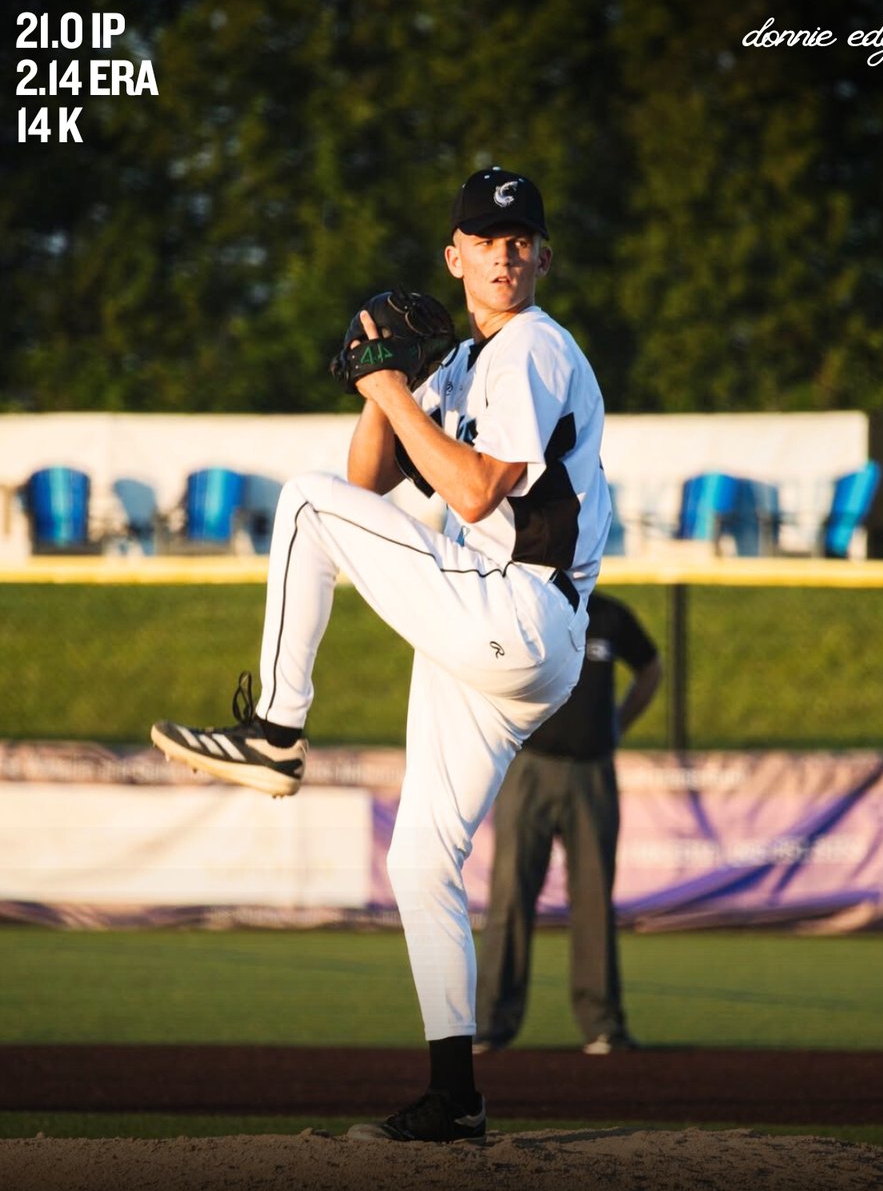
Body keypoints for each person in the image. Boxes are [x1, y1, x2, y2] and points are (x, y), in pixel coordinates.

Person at [151, 167, 612, 1142]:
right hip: (501, 633)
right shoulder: (464, 367)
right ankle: (456, 1095)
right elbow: (369, 480)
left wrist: (394, 387)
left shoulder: (533, 345)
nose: (504, 255)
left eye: (520, 239)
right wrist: (382, 383)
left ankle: (277, 730)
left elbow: (476, 492)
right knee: (420, 860)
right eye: (484, 240)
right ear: (455, 257)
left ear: (544, 256)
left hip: (520, 606)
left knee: (300, 501)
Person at [474, 591, 661, 1056]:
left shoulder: (611, 614)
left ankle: (602, 1026)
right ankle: (489, 1025)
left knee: (594, 900)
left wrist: (617, 724)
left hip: (592, 771)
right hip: (529, 767)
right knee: (510, 896)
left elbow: (651, 667)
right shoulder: (525, 604)